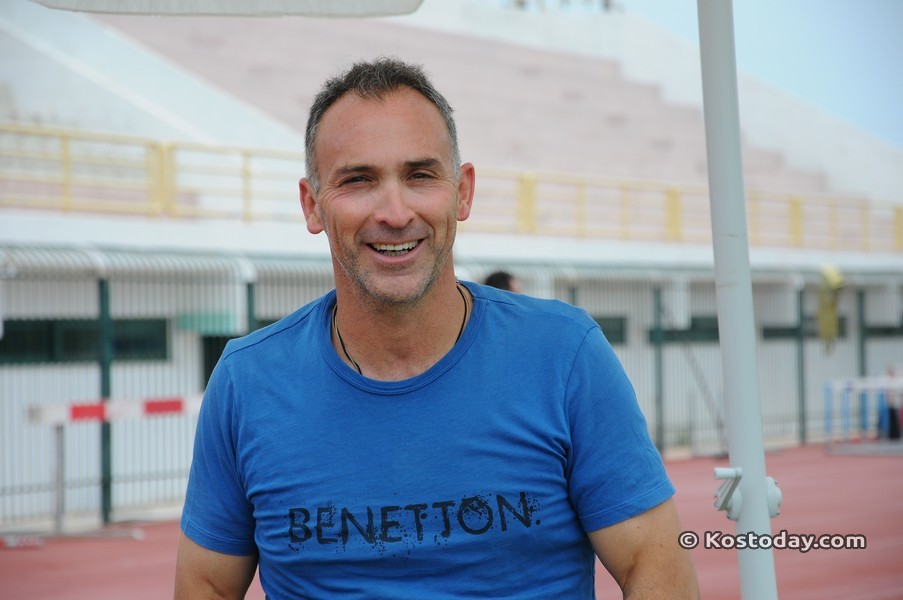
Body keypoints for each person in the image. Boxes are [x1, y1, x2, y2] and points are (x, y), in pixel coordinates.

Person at [174, 57, 699, 599]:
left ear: (463, 191)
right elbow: (206, 586)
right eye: (358, 180)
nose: (395, 212)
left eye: (420, 176)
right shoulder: (246, 381)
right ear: (312, 206)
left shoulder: (565, 354)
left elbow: (655, 567)